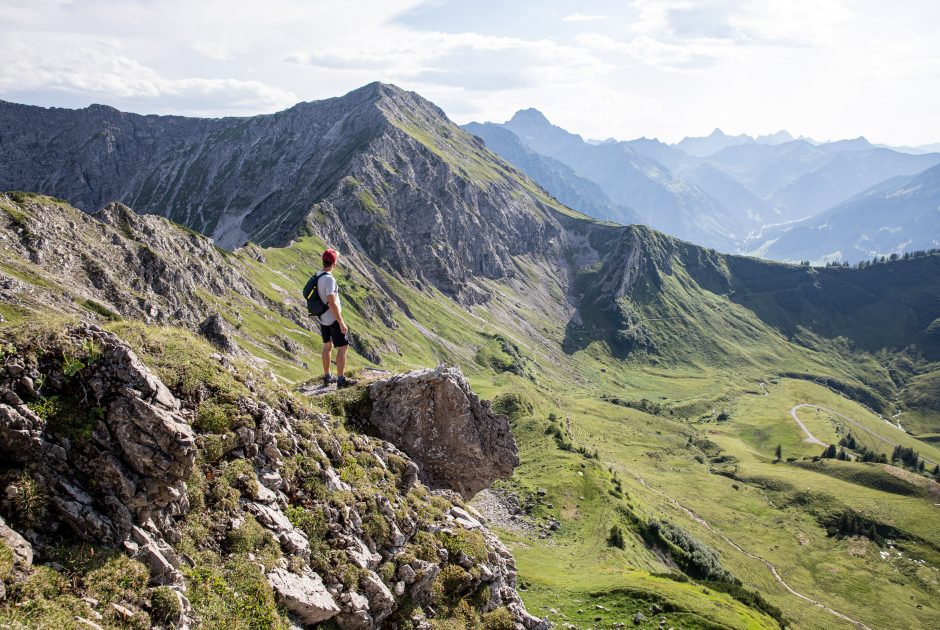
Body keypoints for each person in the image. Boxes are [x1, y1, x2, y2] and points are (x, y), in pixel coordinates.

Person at [316, 248, 358, 388]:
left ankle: (327, 376)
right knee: (343, 347)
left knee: (328, 345)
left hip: (322, 318)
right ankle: (340, 380)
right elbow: (332, 303)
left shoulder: (318, 275)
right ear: (334, 262)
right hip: (332, 318)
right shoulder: (329, 279)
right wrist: (341, 323)